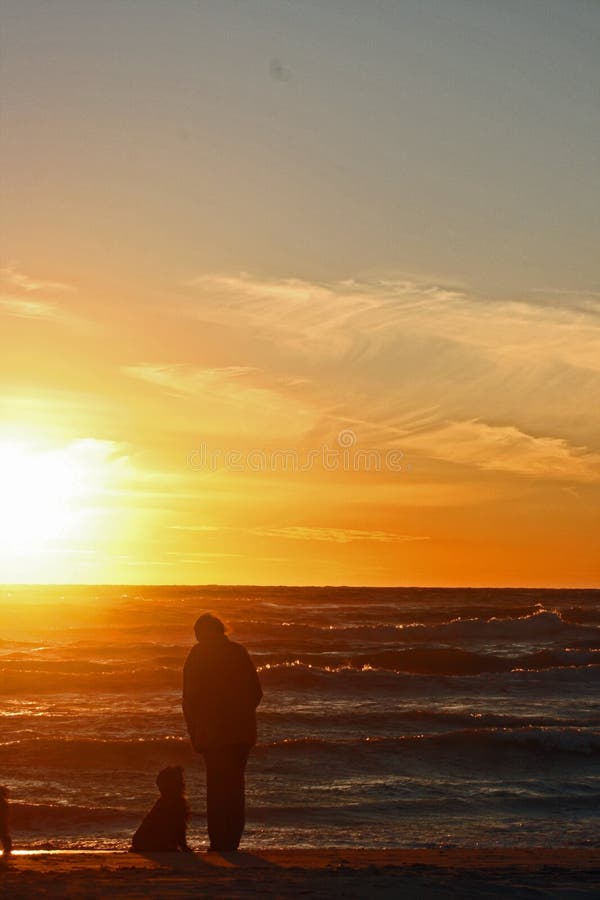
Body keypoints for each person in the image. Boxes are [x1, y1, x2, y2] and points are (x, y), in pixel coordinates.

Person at [182, 613, 262, 852]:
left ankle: (218, 842)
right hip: (240, 733)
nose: (195, 637)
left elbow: (190, 698)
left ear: (204, 632)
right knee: (235, 788)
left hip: (212, 733)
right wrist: (241, 714)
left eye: (197, 633)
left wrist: (194, 731)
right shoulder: (238, 652)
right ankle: (232, 842)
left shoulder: (198, 655)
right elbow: (256, 692)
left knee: (216, 788)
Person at [131, 765, 192, 852]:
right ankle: (168, 846)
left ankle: (169, 846)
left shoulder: (168, 802)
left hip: (141, 841)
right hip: (144, 841)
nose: (160, 789)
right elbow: (178, 827)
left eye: (161, 786)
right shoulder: (173, 803)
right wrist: (183, 846)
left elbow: (177, 827)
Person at [0, 785, 12, 856]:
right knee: (4, 834)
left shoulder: (3, 803)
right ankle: (7, 849)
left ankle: (7, 849)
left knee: (4, 834)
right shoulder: (4, 802)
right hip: (3, 821)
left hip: (2, 821)